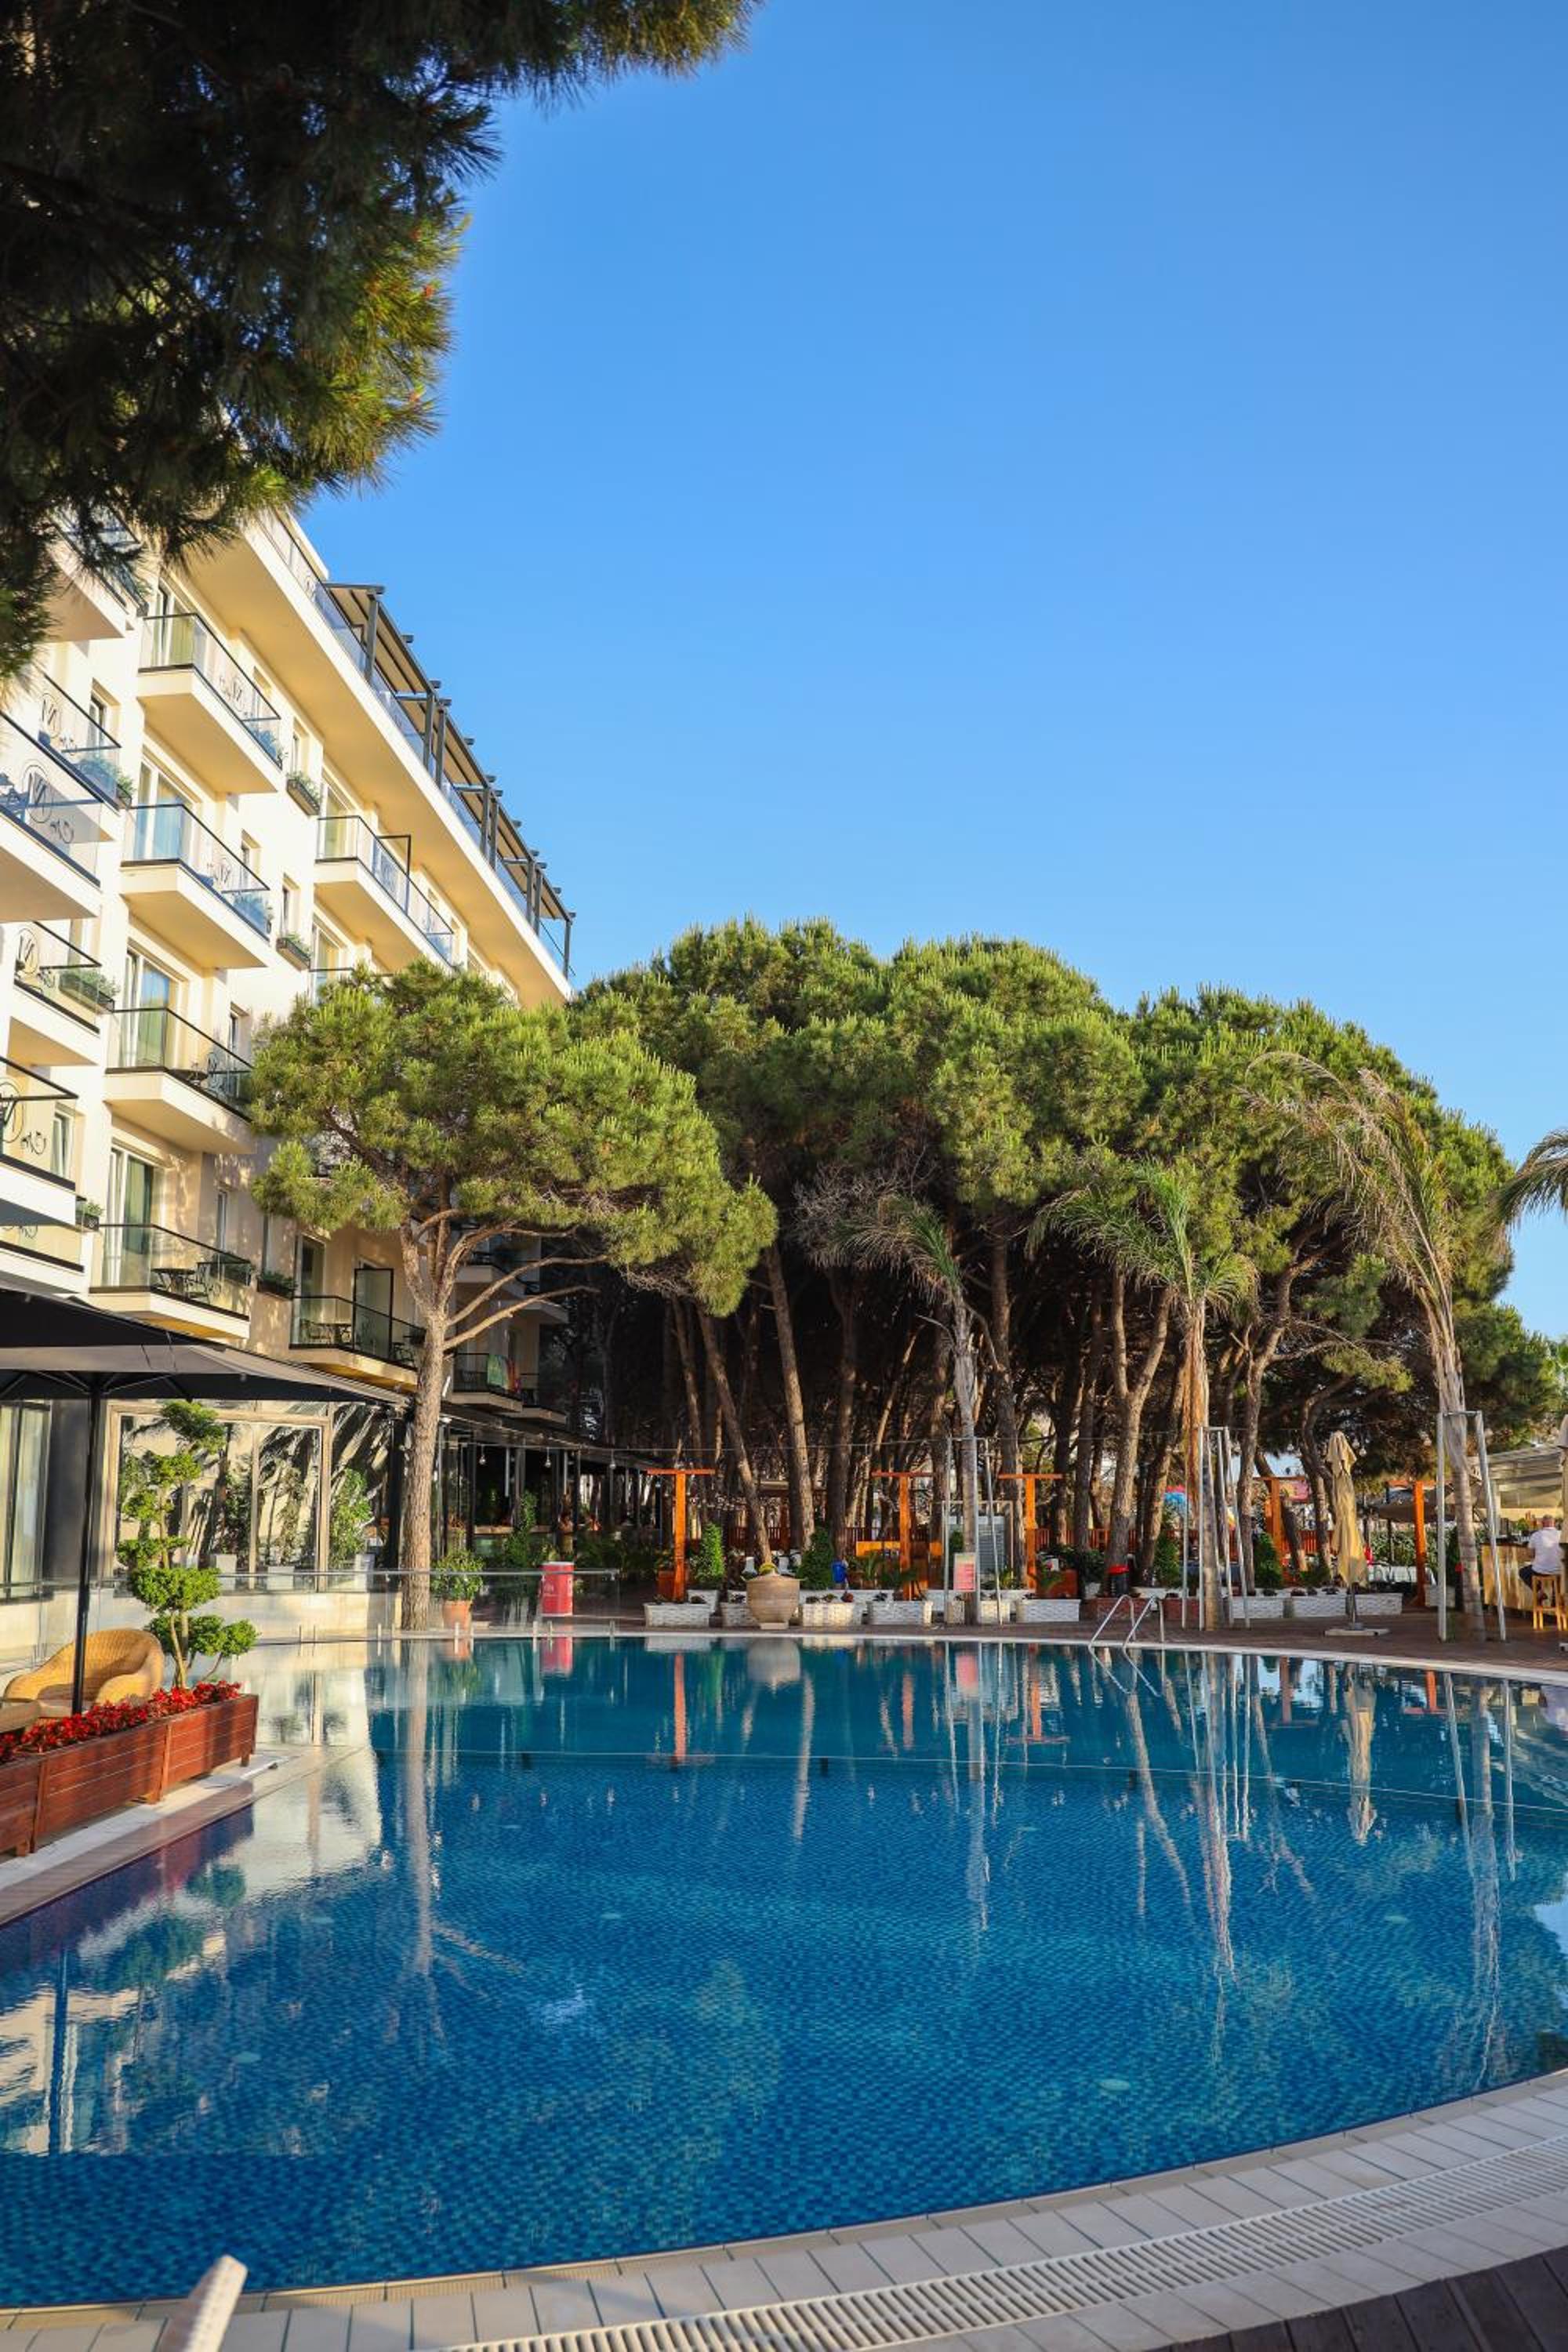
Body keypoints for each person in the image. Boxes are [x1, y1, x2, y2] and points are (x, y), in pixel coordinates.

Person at [1523, 1515, 1563, 1591]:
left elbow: (1531, 1555)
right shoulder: (1562, 1534)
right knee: (1559, 1574)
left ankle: (1539, 1592)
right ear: (1554, 1523)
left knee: (1523, 1572)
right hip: (1559, 1570)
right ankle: (1555, 1596)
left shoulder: (1535, 1535)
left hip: (1540, 1572)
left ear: (1542, 1524)